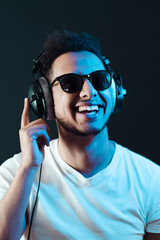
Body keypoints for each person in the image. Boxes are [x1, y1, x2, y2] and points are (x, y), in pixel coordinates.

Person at [0, 30, 160, 240]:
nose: (89, 92)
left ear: (116, 90)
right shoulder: (15, 173)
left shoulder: (152, 180)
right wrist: (28, 169)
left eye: (99, 79)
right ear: (45, 100)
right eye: (70, 83)